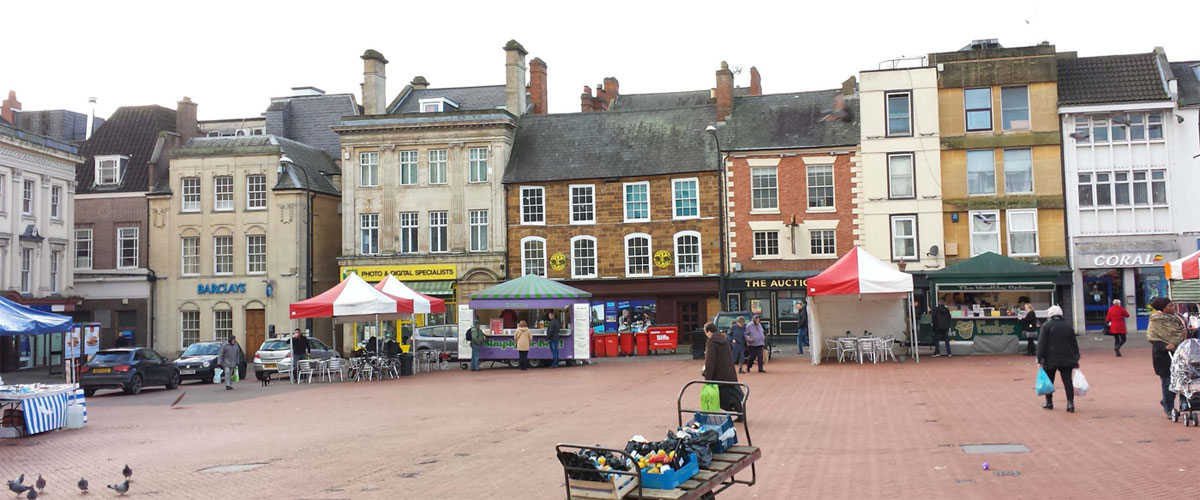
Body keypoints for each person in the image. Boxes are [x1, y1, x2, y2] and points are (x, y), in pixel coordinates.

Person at [1147, 297, 1187, 419]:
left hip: (1180, 353)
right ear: (1162, 308)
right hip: (1163, 356)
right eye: (1170, 306)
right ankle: (1169, 408)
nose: (1173, 308)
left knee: (1183, 380)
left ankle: (1180, 402)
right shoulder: (1156, 320)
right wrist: (1165, 346)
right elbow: (1152, 337)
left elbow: (1183, 331)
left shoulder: (1178, 318)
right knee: (1168, 382)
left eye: (1173, 305)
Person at [1037, 305, 1080, 413]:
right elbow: (1074, 343)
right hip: (1067, 358)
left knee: (1049, 381)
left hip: (1050, 358)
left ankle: (1049, 402)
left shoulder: (1046, 326)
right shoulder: (1068, 326)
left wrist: (1040, 359)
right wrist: (1076, 357)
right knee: (1067, 381)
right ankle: (1070, 403)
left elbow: (1042, 344)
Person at [701, 322, 743, 414]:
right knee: (732, 394)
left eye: (705, 332)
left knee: (721, 396)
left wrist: (708, 378)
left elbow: (710, 361)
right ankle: (740, 413)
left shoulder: (711, 342)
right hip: (729, 372)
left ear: (708, 331)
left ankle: (735, 412)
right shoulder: (724, 339)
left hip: (718, 374)